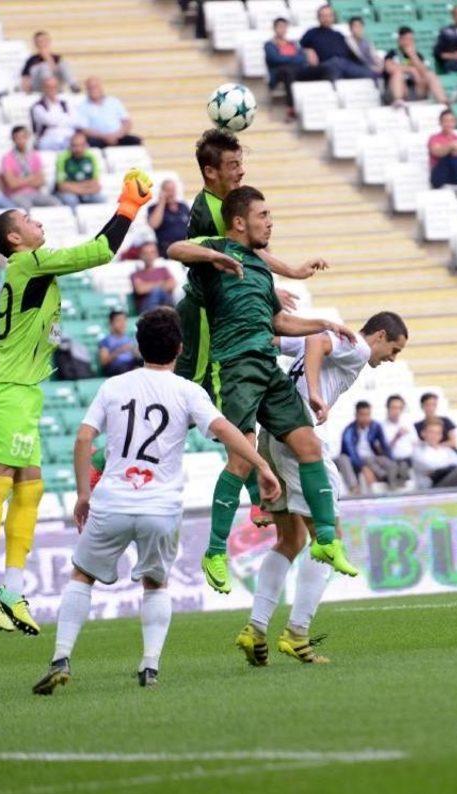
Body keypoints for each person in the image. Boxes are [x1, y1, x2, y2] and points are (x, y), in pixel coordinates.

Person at [32, 307, 282, 694]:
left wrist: (84, 494)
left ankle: (61, 657)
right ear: (180, 349)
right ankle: (149, 666)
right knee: (155, 582)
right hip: (160, 507)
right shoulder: (187, 391)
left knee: (82, 575)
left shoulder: (113, 386)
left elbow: (83, 439)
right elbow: (225, 430)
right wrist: (263, 466)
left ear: (137, 346)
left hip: (112, 501)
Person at [0, 167, 153, 636]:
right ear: (15, 237)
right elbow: (99, 252)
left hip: (21, 391)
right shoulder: (29, 262)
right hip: (8, 390)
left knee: (30, 486)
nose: (37, 221)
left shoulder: (28, 268)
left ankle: (11, 588)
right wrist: (127, 208)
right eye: (28, 218)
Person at [168, 186, 359, 594]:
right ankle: (215, 551)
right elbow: (175, 249)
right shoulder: (217, 249)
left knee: (308, 443)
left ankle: (326, 540)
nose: (270, 222)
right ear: (239, 221)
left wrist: (324, 322)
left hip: (266, 367)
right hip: (234, 367)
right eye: (263, 215)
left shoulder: (258, 265)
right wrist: (213, 256)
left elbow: (280, 323)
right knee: (241, 461)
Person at [175, 128, 328, 528]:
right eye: (233, 165)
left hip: (224, 315)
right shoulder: (209, 210)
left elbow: (248, 253)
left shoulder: (227, 201)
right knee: (189, 403)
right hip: (209, 318)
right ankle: (106, 459)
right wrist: (272, 276)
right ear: (210, 173)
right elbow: (214, 252)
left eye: (241, 163)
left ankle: (259, 496)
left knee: (223, 410)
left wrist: (275, 280)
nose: (241, 172)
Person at [237, 311, 408, 667]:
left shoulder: (338, 342)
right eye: (393, 349)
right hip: (299, 440)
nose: (392, 359)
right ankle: (297, 634)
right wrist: (315, 393)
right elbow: (318, 340)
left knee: (290, 540)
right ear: (379, 335)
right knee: (330, 538)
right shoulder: (358, 347)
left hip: (273, 433)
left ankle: (255, 629)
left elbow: (277, 340)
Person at [265, 17, 333, 121]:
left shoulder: (292, 43)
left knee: (323, 69)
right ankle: (291, 108)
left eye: (284, 27)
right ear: (274, 28)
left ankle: (323, 101)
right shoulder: (269, 45)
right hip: (280, 73)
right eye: (280, 27)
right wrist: (293, 58)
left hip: (298, 70)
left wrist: (288, 58)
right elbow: (275, 59)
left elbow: (302, 57)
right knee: (288, 72)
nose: (282, 30)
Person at [337, 400, 406, 493]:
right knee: (346, 458)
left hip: (372, 458)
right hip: (356, 461)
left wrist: (390, 459)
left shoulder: (375, 426)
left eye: (368, 414)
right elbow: (351, 453)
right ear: (356, 415)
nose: (366, 418)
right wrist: (363, 467)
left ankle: (394, 479)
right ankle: (358, 487)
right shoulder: (349, 431)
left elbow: (384, 446)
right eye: (362, 415)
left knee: (388, 462)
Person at [300, 5, 376, 81]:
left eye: (329, 15)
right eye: (323, 16)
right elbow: (301, 48)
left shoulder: (339, 35)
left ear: (333, 17)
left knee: (371, 73)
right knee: (335, 65)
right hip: (326, 65)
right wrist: (307, 51)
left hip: (345, 64)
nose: (326, 18)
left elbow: (351, 54)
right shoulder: (311, 33)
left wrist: (368, 66)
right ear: (318, 17)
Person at [384, 26, 448, 105]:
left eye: (411, 39)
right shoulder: (392, 53)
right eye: (406, 39)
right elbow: (389, 68)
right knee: (398, 74)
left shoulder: (418, 55)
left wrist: (413, 55)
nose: (409, 42)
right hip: (397, 89)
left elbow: (424, 72)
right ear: (399, 40)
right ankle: (398, 100)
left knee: (430, 75)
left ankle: (443, 101)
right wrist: (411, 69)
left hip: (416, 89)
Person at [0, 125, 58, 210]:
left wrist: (20, 180)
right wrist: (31, 178)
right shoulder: (7, 158)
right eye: (17, 138)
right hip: (16, 194)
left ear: (28, 137)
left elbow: (41, 181)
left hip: (34, 193)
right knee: (25, 206)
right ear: (13, 139)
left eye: (23, 137)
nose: (21, 140)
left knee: (55, 202)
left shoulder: (35, 156)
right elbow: (12, 184)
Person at [412, 418, 457, 489]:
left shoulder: (447, 450)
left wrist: (446, 468)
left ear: (441, 435)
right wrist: (448, 467)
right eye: (431, 432)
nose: (434, 436)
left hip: (449, 481)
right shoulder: (418, 450)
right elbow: (429, 465)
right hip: (431, 487)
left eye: (438, 433)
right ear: (423, 433)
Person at [78, 76, 142, 148]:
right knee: (90, 143)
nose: (93, 90)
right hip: (98, 139)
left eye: (96, 87)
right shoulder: (82, 107)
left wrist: (117, 135)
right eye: (90, 88)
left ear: (101, 88)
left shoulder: (114, 101)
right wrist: (104, 137)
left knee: (135, 141)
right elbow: (84, 129)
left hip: (118, 136)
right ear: (87, 89)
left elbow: (127, 122)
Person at [54, 131, 104, 207]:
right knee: (71, 200)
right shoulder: (63, 158)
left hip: (85, 191)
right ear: (70, 146)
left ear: (86, 145)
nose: (78, 149)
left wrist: (73, 186)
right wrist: (83, 188)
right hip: (70, 193)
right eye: (75, 146)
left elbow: (95, 183)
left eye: (81, 145)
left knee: (100, 199)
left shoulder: (91, 157)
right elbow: (61, 186)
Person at [20, 30, 79, 95]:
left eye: (44, 41)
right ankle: (49, 88)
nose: (42, 43)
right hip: (39, 87)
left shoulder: (57, 58)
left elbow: (54, 70)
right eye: (40, 41)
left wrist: (46, 56)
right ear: (36, 44)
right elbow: (25, 78)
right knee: (43, 66)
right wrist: (27, 92)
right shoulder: (31, 60)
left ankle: (73, 85)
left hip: (55, 84)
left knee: (64, 64)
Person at [30, 76, 78, 152]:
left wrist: (58, 119)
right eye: (49, 87)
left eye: (54, 87)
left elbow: (74, 120)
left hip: (67, 137)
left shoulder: (65, 104)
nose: (52, 90)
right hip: (48, 139)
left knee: (80, 144)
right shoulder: (38, 107)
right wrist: (65, 118)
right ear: (44, 89)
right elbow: (49, 121)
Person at [147, 179, 190, 257]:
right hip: (167, 249)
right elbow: (153, 224)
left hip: (186, 246)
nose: (171, 193)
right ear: (162, 192)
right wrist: (162, 202)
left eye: (173, 190)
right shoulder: (154, 208)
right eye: (168, 190)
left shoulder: (183, 206)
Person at [130, 241, 176, 313]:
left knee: (159, 292)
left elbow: (172, 285)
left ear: (157, 254)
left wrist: (148, 285)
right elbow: (140, 289)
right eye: (146, 253)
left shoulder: (163, 270)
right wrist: (161, 283)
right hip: (146, 308)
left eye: (152, 252)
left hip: (165, 304)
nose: (149, 255)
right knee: (157, 291)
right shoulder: (136, 274)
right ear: (140, 255)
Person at [381, 394, 416, 480]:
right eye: (394, 408)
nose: (397, 411)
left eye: (400, 408)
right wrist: (397, 437)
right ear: (388, 408)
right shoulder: (381, 427)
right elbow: (383, 450)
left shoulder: (408, 423)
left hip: (409, 458)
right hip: (392, 460)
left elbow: (416, 443)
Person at [98, 309, 140, 377]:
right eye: (119, 320)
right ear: (111, 323)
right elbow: (104, 361)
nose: (122, 323)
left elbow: (137, 355)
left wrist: (135, 352)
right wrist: (120, 350)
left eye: (124, 320)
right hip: (117, 368)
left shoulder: (130, 339)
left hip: (131, 364)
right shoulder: (105, 341)